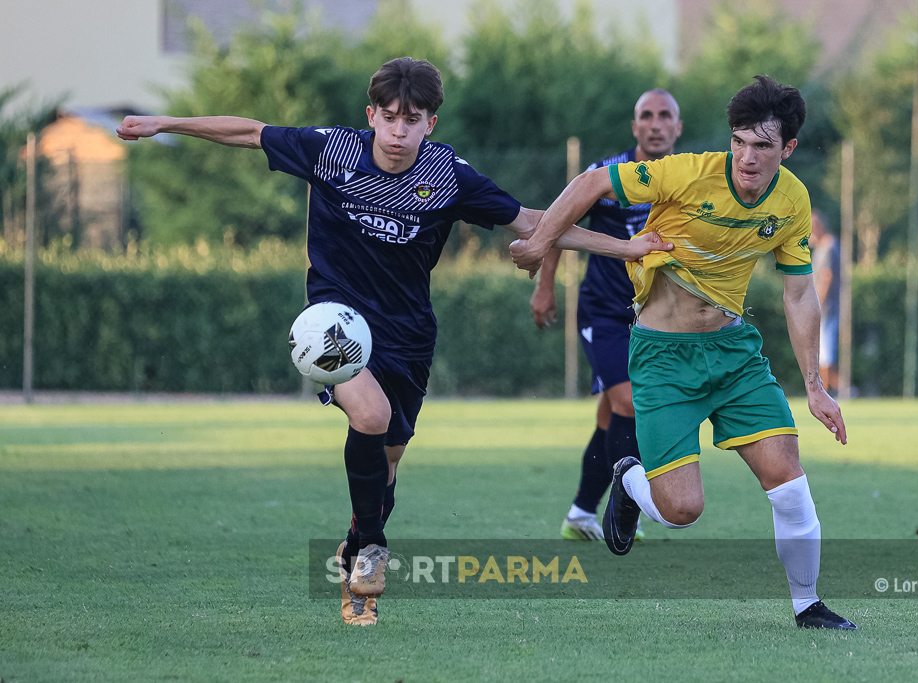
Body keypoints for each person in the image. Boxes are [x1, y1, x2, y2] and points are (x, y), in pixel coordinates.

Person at [116, 57, 670, 626]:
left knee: (388, 460)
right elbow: (250, 132)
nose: (399, 131)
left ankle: (355, 547)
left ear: (431, 122)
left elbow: (532, 221)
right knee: (371, 413)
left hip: (407, 333)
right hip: (335, 319)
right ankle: (372, 551)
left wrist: (624, 248)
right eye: (390, 117)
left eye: (413, 119)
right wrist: (166, 123)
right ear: (371, 115)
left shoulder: (448, 175)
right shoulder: (333, 151)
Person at [510, 76, 857, 630]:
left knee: (787, 478)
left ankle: (807, 604)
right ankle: (628, 480)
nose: (746, 157)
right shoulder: (686, 171)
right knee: (681, 511)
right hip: (663, 358)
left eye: (763, 146)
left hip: (734, 354)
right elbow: (591, 182)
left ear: (787, 149)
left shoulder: (792, 199)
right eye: (739, 141)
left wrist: (815, 385)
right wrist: (539, 241)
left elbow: (798, 292)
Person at [529, 89, 683, 541]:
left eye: (665, 116)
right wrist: (544, 287)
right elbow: (556, 225)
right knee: (628, 404)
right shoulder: (605, 176)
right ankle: (627, 505)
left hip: (653, 320)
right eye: (646, 116)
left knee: (610, 417)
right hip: (604, 312)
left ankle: (580, 513)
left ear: (678, 127)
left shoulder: (690, 180)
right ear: (635, 127)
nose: (655, 124)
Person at [809, 210, 840, 396]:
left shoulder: (829, 246)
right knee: (822, 351)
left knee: (825, 352)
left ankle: (826, 391)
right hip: (824, 309)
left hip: (827, 309)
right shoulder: (821, 247)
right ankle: (839, 387)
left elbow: (827, 277)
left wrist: (817, 304)